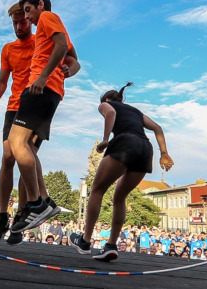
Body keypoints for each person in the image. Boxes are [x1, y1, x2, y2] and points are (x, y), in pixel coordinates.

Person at [70, 83, 173, 261]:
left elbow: (110, 113)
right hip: (145, 148)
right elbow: (157, 128)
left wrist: (104, 140)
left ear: (107, 99)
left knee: (97, 190)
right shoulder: (136, 111)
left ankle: (85, 241)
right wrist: (164, 153)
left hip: (125, 143)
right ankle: (111, 245)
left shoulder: (105, 104)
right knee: (120, 198)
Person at [8, 0, 80, 234]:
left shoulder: (48, 16)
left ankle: (35, 203)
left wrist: (44, 76)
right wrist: (71, 68)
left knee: (16, 142)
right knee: (26, 145)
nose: (28, 17)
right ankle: (45, 200)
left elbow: (62, 46)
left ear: (40, 5)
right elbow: (73, 57)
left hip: (42, 88)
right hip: (49, 90)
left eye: (28, 10)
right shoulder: (48, 28)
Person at [0, 3, 38, 242]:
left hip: (34, 105)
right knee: (7, 157)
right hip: (13, 107)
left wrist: (68, 68)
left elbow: (69, 59)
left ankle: (20, 218)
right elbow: (2, 81)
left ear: (30, 20)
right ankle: (3, 216)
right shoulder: (8, 49)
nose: (18, 26)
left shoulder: (40, 42)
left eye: (22, 22)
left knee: (26, 160)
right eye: (14, 23)